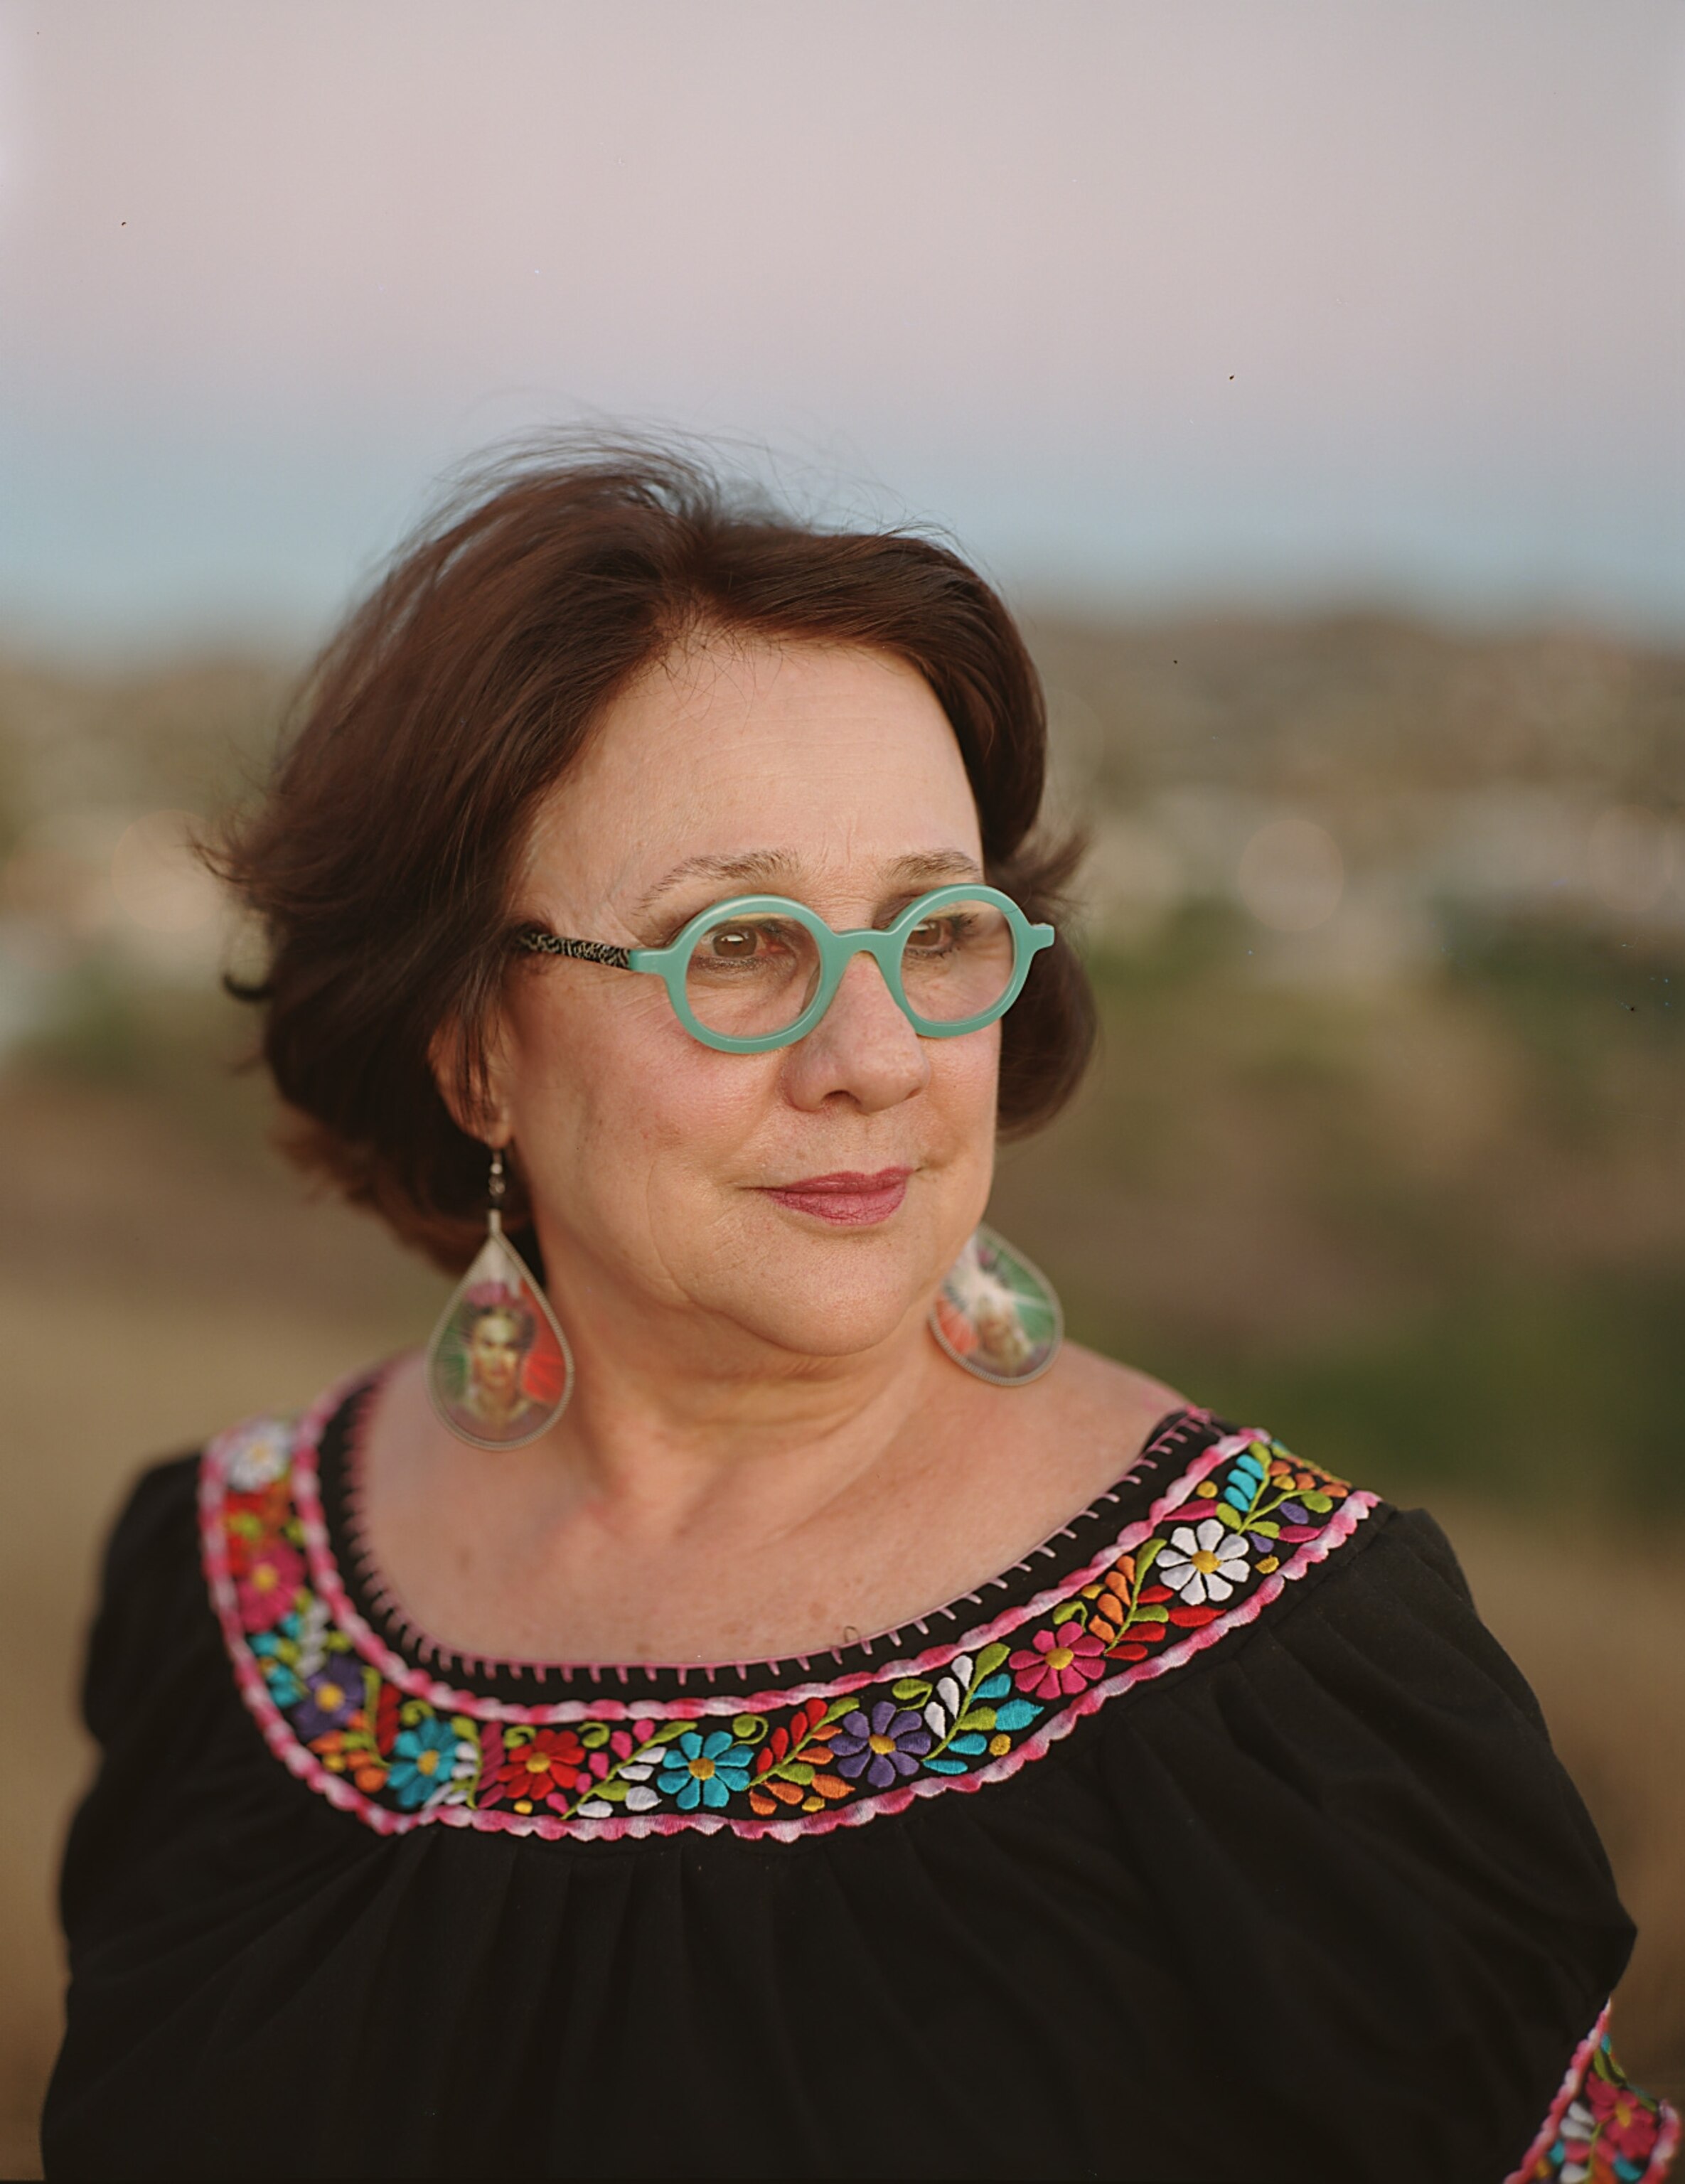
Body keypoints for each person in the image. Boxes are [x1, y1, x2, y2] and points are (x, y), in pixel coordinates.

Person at [43, 444, 1676, 2183]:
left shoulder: (1289, 1681)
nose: (877, 1057)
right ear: (472, 1048)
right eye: (734, 945)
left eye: (935, 928)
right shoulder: (224, 1587)